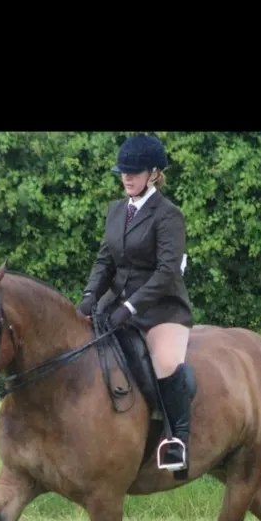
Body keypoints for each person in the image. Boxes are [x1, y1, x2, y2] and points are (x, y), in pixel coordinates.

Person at [77, 134, 194, 472]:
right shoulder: (116, 211)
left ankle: (177, 442)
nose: (126, 178)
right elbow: (105, 262)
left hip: (162, 308)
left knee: (165, 364)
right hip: (114, 304)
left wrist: (130, 308)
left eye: (134, 172)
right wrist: (88, 299)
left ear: (154, 173)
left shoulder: (168, 215)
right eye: (123, 172)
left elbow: (167, 271)